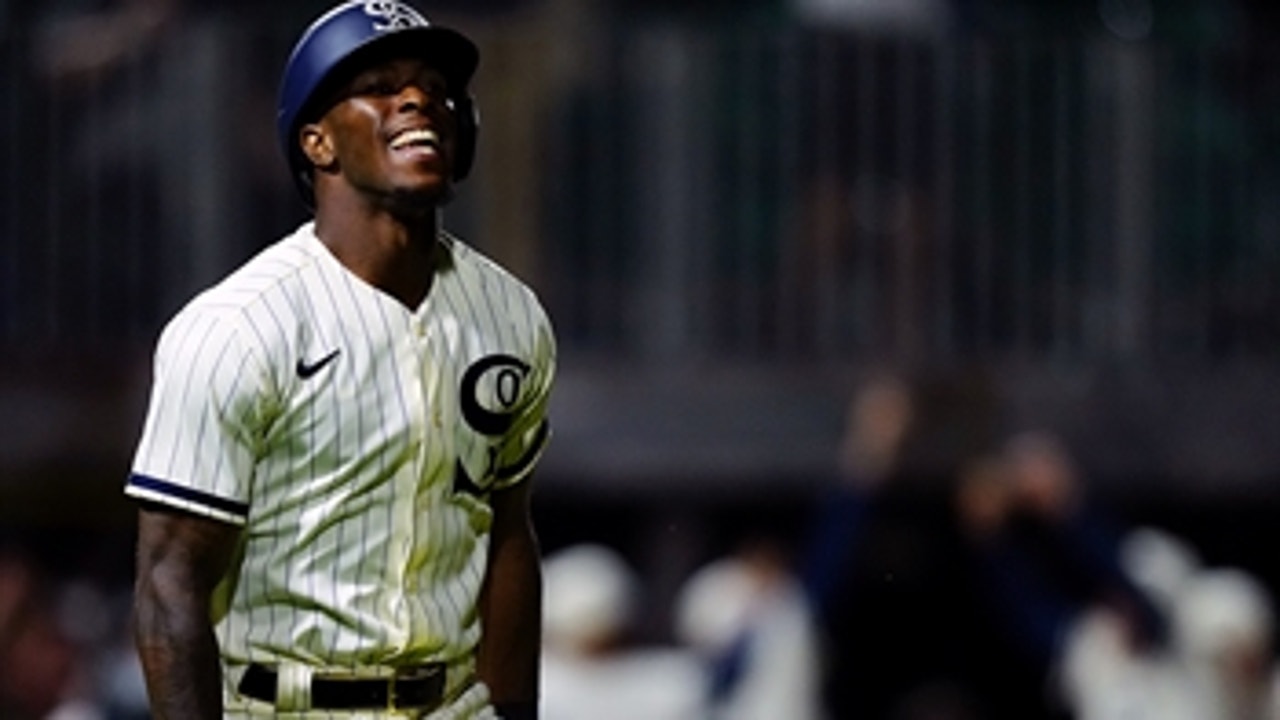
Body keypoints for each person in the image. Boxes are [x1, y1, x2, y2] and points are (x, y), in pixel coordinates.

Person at [124, 2, 556, 719]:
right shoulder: (237, 327)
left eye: (432, 88)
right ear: (318, 143)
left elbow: (508, 537)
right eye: (381, 86)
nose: (417, 100)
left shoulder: (513, 316)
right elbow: (170, 580)